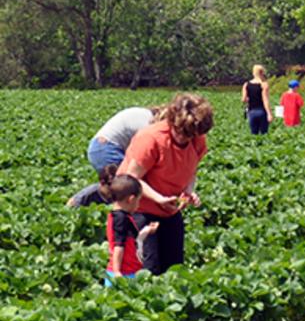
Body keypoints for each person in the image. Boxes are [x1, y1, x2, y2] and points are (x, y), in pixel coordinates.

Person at [117, 93, 213, 275]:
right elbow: (132, 178)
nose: (187, 139)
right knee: (148, 268)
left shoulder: (197, 138)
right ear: (173, 122)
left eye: (192, 135)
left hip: (169, 209)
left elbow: (192, 170)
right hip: (139, 208)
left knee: (174, 267)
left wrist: (189, 191)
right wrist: (158, 198)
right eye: (183, 133)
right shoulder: (152, 138)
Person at [67, 106, 165, 207]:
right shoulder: (149, 125)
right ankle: (78, 201)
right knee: (123, 185)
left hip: (101, 146)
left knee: (117, 184)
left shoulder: (145, 115)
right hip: (106, 148)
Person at [104, 173, 159, 286]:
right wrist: (117, 272)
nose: (138, 205)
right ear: (131, 199)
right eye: (138, 201)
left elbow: (133, 240)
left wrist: (147, 230)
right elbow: (119, 246)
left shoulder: (119, 216)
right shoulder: (121, 219)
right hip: (124, 272)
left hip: (129, 269)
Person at [243, 64, 272, 134]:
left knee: (253, 134)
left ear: (253, 73)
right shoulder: (264, 84)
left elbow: (244, 99)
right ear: (262, 73)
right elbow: (265, 100)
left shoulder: (246, 84)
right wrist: (269, 114)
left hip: (251, 112)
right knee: (264, 134)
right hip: (262, 111)